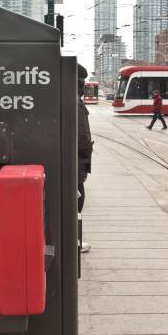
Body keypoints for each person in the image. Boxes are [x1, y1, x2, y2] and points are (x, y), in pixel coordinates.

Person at [77, 64, 93, 253]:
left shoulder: (70, 100)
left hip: (75, 162)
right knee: (77, 198)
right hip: (77, 163)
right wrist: (88, 149)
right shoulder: (77, 104)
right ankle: (75, 240)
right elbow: (82, 138)